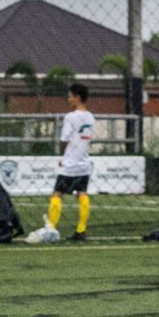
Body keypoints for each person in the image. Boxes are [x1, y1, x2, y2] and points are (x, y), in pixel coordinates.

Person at [48, 82, 95, 242]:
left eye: (70, 97)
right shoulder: (90, 117)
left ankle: (52, 228)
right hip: (84, 163)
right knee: (82, 193)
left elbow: (64, 138)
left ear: (77, 97)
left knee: (57, 194)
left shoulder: (70, 117)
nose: (68, 99)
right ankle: (81, 230)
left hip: (70, 164)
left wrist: (63, 155)